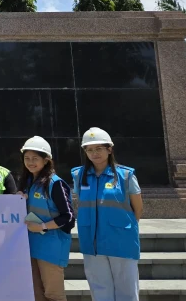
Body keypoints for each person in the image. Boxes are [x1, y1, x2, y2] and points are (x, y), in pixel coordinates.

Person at [71, 127, 143, 301]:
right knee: (99, 290)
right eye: (89, 150)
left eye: (99, 149)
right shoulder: (79, 175)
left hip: (121, 240)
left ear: (109, 149)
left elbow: (138, 208)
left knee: (126, 291)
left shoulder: (125, 175)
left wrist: (124, 229)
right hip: (92, 241)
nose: (94, 153)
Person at [18, 136, 75, 301]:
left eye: (35, 158)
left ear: (46, 160)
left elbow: (69, 217)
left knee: (53, 295)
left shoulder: (55, 183)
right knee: (36, 293)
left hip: (51, 248)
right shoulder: (27, 181)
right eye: (27, 158)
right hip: (31, 245)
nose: (30, 162)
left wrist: (43, 226)